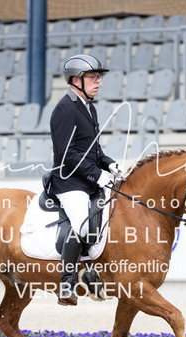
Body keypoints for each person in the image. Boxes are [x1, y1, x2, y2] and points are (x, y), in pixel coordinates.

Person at [47, 54, 123, 306]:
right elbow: (67, 154)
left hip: (88, 180)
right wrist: (97, 174)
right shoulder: (65, 109)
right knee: (83, 225)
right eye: (92, 77)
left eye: (98, 77)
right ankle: (66, 284)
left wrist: (109, 164)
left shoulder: (89, 107)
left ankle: (91, 270)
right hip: (69, 182)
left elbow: (94, 151)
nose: (98, 81)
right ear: (75, 80)